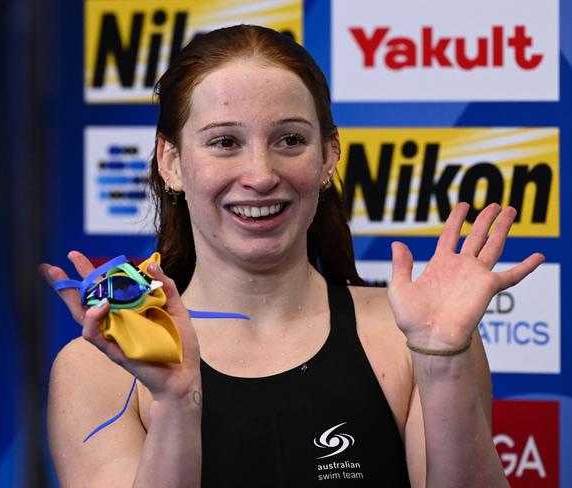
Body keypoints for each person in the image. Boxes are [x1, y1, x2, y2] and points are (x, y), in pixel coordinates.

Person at [43, 25, 544, 487]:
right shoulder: (101, 369)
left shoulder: (409, 338)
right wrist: (177, 405)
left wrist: (443, 361)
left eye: (290, 140)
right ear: (171, 162)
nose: (260, 173)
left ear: (328, 156)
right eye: (224, 142)